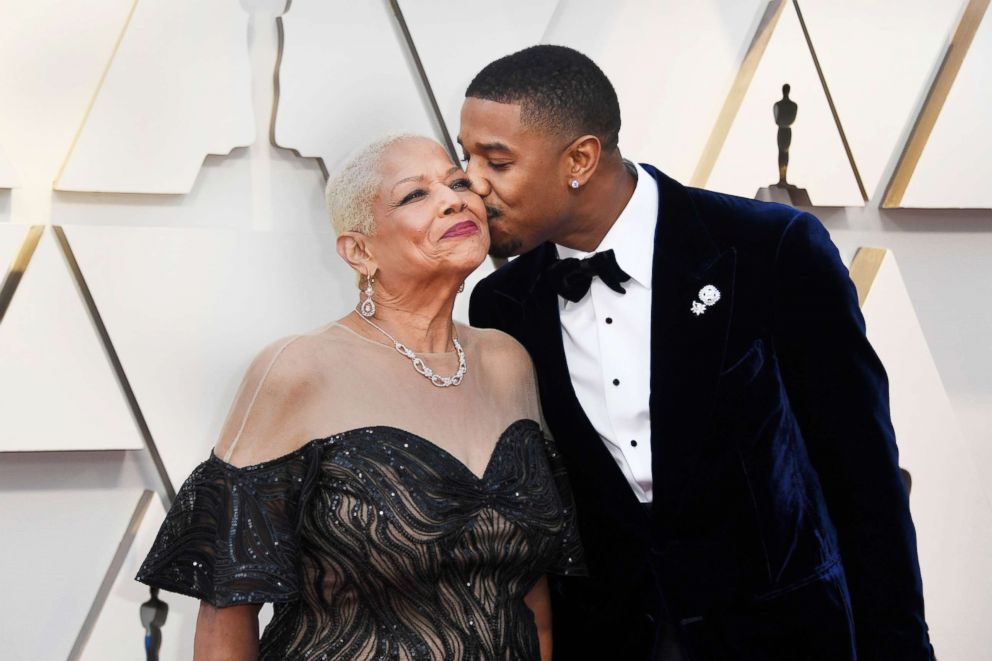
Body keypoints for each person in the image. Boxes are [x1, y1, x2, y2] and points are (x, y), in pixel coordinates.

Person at [462, 45, 933, 661]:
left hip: (784, 637)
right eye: (466, 156)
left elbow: (864, 475)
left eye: (496, 161)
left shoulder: (771, 249)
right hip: (612, 639)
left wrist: (899, 647)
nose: (472, 182)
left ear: (580, 158)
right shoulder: (503, 304)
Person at [136, 134, 583, 661]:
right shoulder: (297, 369)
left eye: (458, 182)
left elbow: (531, 593)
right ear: (359, 250)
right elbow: (225, 611)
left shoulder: (508, 361)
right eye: (415, 195)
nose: (455, 199)